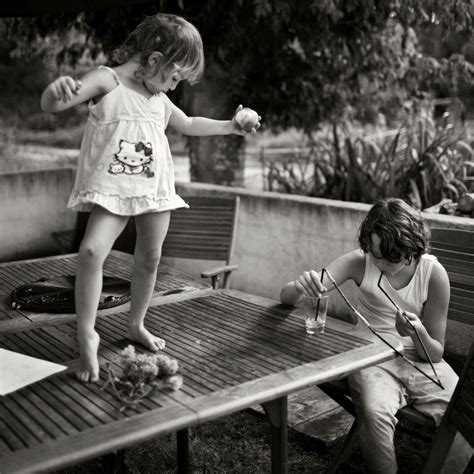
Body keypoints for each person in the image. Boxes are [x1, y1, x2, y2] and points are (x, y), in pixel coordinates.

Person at [40, 13, 261, 383]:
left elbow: (188, 123)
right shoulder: (106, 79)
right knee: (91, 251)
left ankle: (136, 323)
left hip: (154, 189)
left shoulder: (158, 97)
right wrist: (55, 91)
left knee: (150, 257)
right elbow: (53, 104)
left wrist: (230, 126)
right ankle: (87, 334)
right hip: (113, 190)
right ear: (156, 60)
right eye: (175, 76)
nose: (174, 87)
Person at [280, 198, 472, 473]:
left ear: (411, 249)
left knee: (465, 414)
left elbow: (435, 353)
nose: (379, 262)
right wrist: (300, 287)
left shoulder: (433, 274)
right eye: (374, 253)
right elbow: (287, 298)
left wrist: (417, 332)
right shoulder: (361, 262)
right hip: (370, 359)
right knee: (373, 412)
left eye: (388, 257)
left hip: (420, 359)